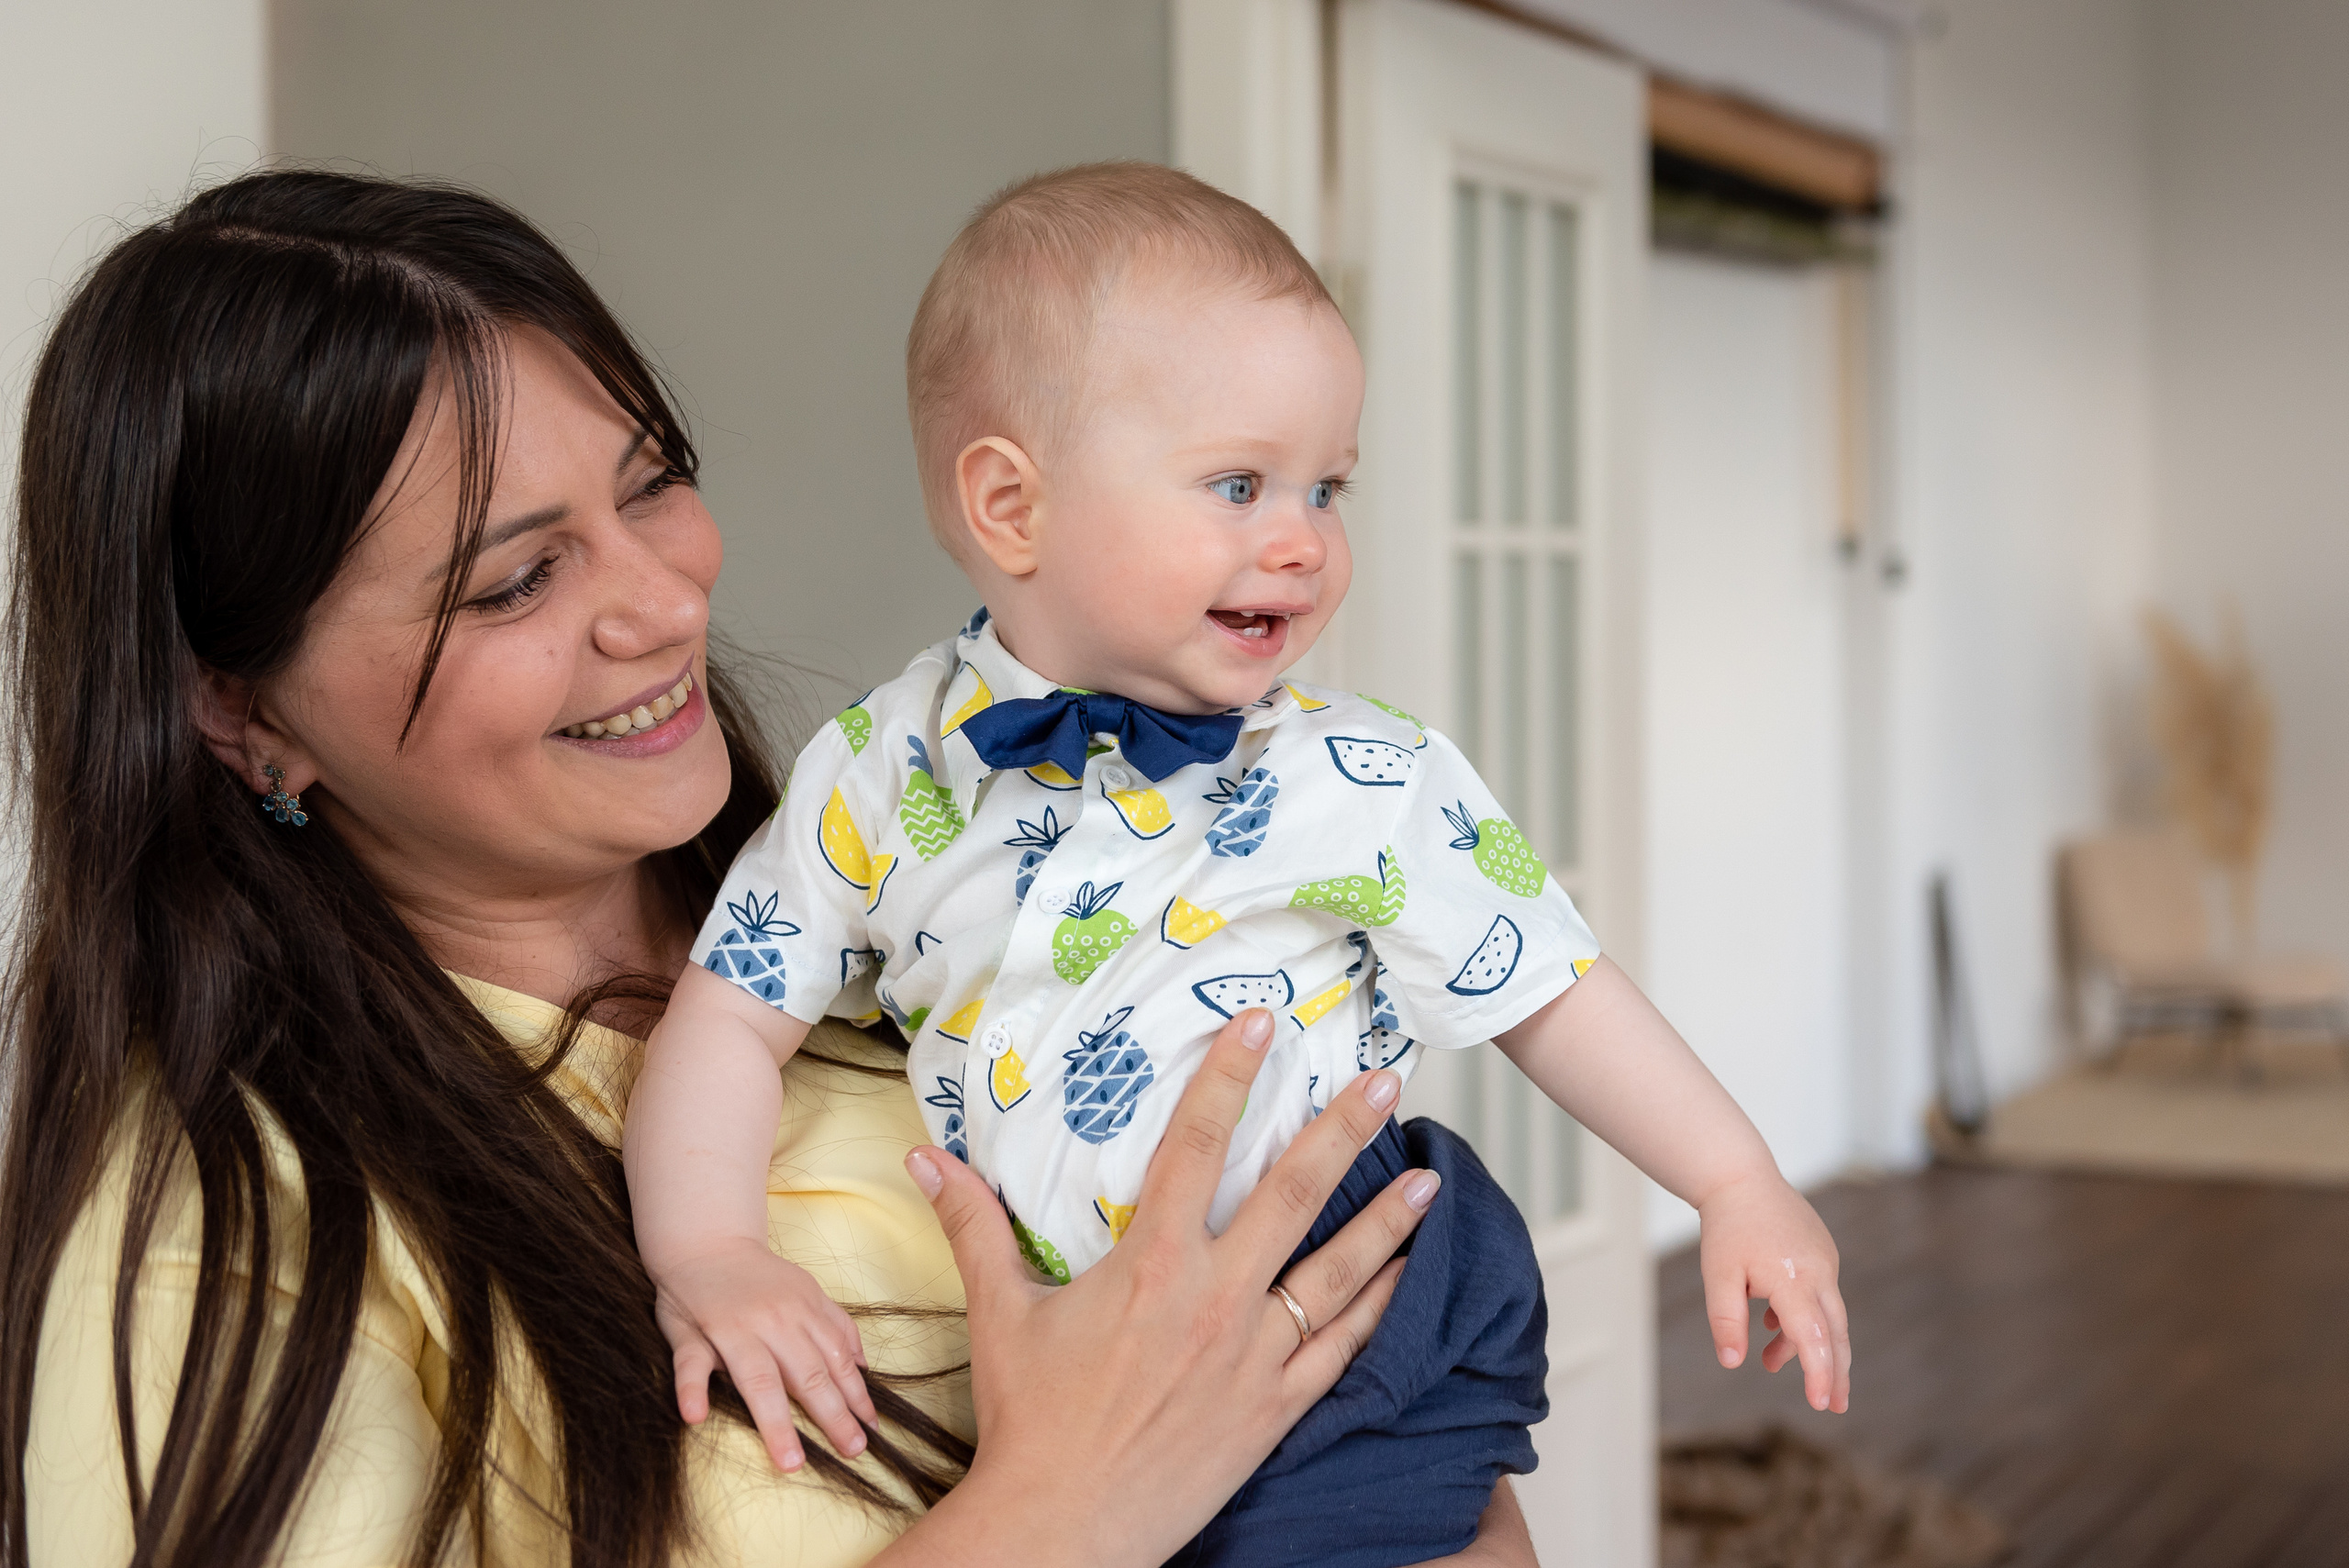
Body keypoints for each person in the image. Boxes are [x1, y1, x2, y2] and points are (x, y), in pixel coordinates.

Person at [0, 169, 1529, 1568]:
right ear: (246, 710)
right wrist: (1065, 1512)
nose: (662, 604)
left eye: (653, 480)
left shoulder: (901, 909)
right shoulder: (216, 1248)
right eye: (520, 576)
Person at [629, 163, 1854, 1568]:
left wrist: (1733, 1174)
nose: (1304, 540)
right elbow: (727, 1011)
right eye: (1238, 482)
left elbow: (1553, 987)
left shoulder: (1363, 776)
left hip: (1340, 1292)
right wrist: (711, 1251)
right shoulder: (878, 775)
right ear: (1011, 507)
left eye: (1328, 485)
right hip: (1074, 1337)